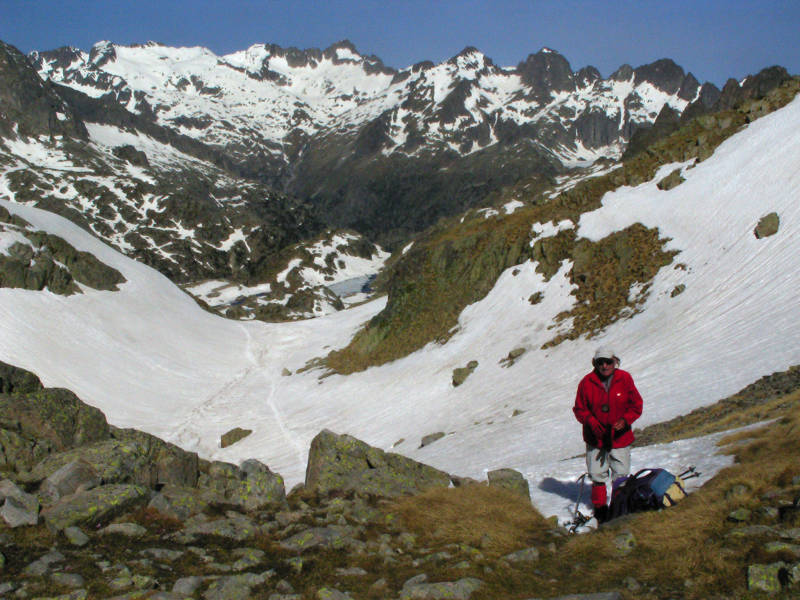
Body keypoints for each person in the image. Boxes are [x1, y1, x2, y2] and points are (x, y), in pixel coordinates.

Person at [573, 346, 643, 524]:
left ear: (615, 362)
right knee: (597, 476)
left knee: (621, 475)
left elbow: (636, 405)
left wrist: (625, 420)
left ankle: (620, 509)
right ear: (595, 364)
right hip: (595, 439)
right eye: (600, 362)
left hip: (620, 438)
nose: (604, 366)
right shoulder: (586, 383)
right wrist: (590, 420)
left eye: (608, 362)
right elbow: (579, 409)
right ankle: (601, 512)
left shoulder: (625, 379)